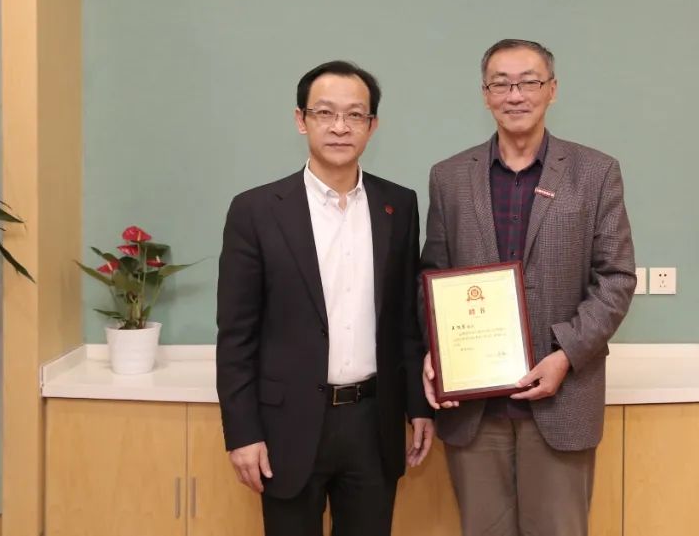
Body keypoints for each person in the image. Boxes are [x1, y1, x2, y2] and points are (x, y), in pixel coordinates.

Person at [420, 38, 636, 536]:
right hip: (474, 409)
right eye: (501, 84)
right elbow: (432, 274)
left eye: (529, 82)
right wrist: (437, 351)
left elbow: (616, 276)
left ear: (552, 90)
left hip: (561, 400)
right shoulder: (449, 177)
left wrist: (565, 355)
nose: (515, 95)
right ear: (485, 94)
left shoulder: (596, 172)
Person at [217, 60, 433, 536]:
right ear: (301, 120)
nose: (340, 127)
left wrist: (418, 407)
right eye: (325, 113)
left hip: (373, 423)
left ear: (372, 125)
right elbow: (236, 337)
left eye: (355, 115)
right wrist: (243, 433)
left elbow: (405, 322)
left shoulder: (399, 205)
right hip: (287, 426)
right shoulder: (255, 211)